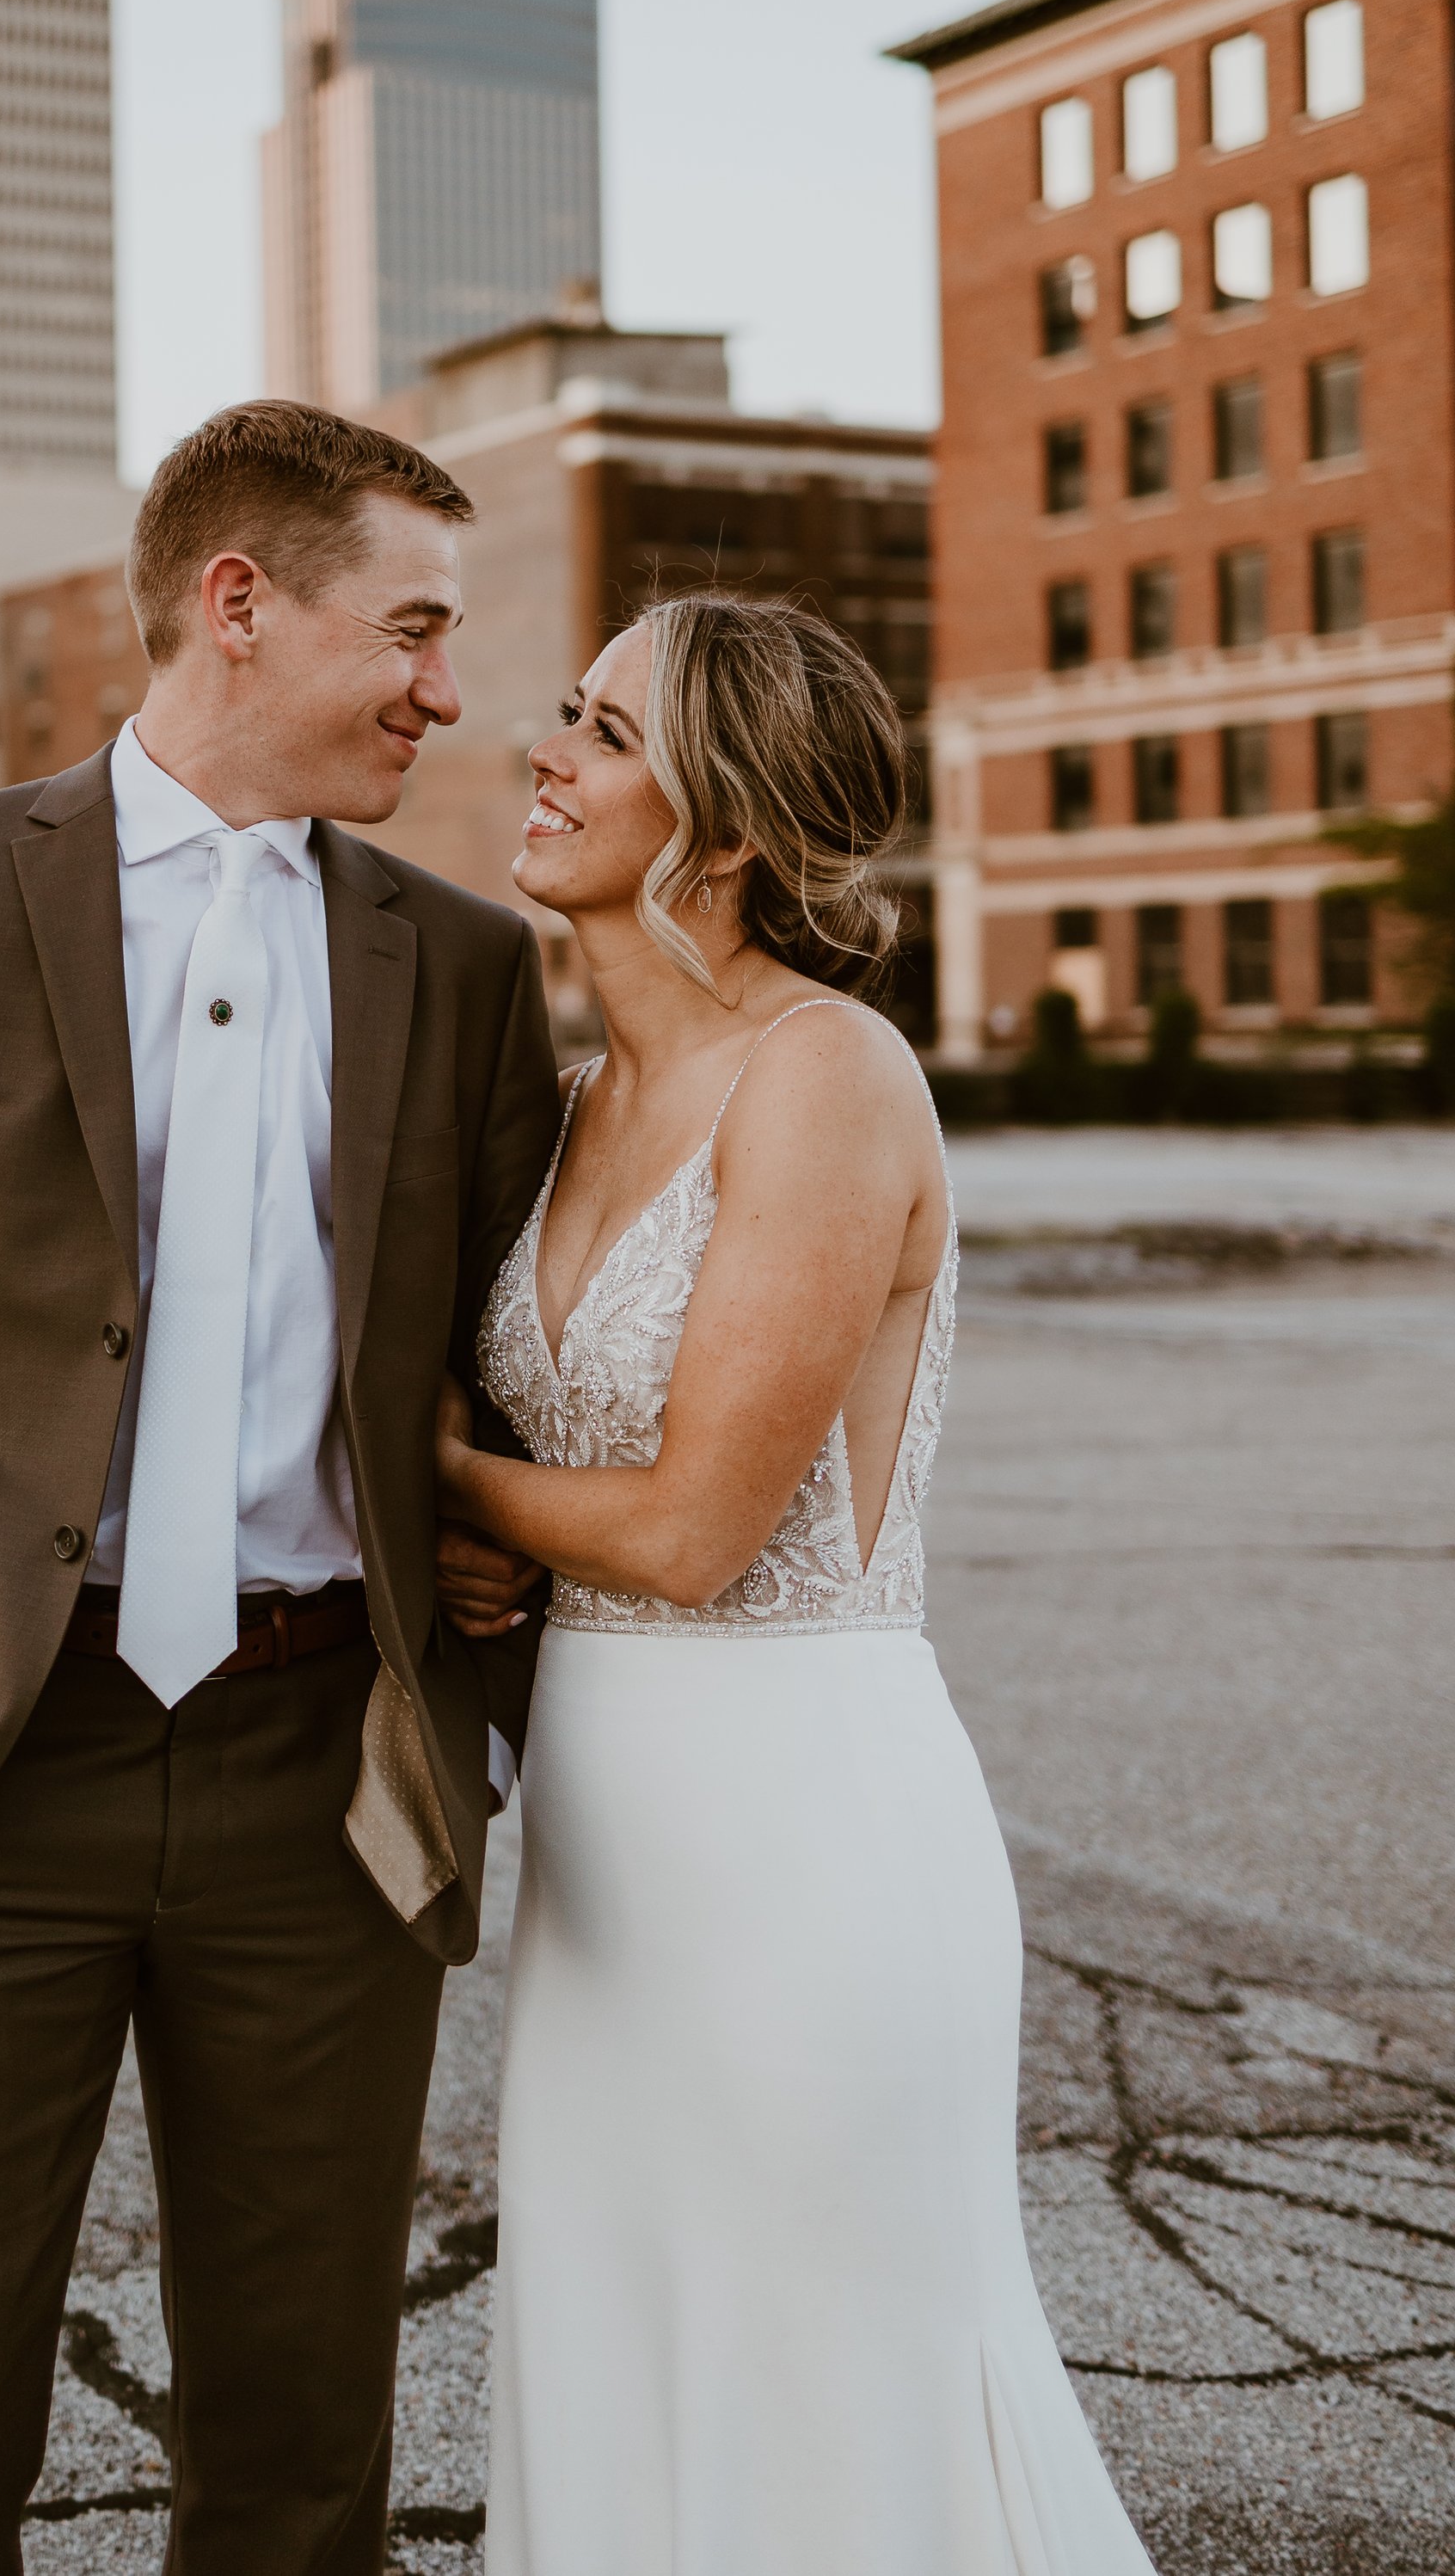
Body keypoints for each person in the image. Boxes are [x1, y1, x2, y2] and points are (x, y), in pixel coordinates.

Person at [0, 401, 562, 2576]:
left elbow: (513, 1377)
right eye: (414, 628)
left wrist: (482, 1699)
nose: (447, 692)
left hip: (320, 1777)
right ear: (236, 606)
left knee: (295, 2447)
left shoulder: (457, 965)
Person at [435, 593, 1157, 2574]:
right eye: (560, 714)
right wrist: (487, 1544)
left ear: (726, 828)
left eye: (601, 732)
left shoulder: (825, 1074)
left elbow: (686, 1530)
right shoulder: (574, 1101)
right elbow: (570, 1494)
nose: (544, 754)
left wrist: (424, 1478)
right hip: (603, 1874)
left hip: (809, 1850)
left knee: (829, 2405)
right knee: (623, 2364)